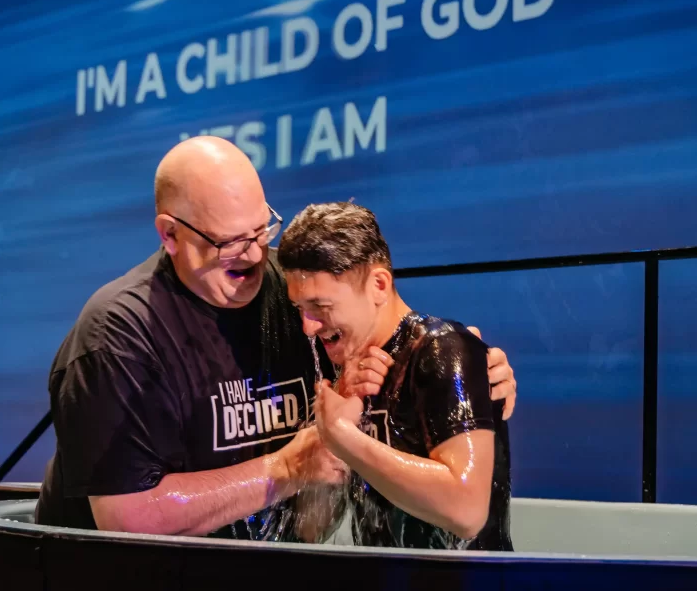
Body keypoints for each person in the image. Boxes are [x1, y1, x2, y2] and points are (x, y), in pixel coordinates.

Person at [34, 136, 517, 540]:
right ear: (170, 235)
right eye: (229, 242)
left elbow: (387, 335)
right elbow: (125, 519)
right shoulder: (119, 337)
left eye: (262, 229)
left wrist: (468, 373)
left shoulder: (292, 293)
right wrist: (288, 467)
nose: (254, 253)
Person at [278, 201, 513, 550]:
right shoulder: (345, 375)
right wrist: (327, 443)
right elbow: (312, 530)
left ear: (378, 284)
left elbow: (467, 511)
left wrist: (345, 439)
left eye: (320, 307)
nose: (308, 327)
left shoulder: (444, 351)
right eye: (300, 309)